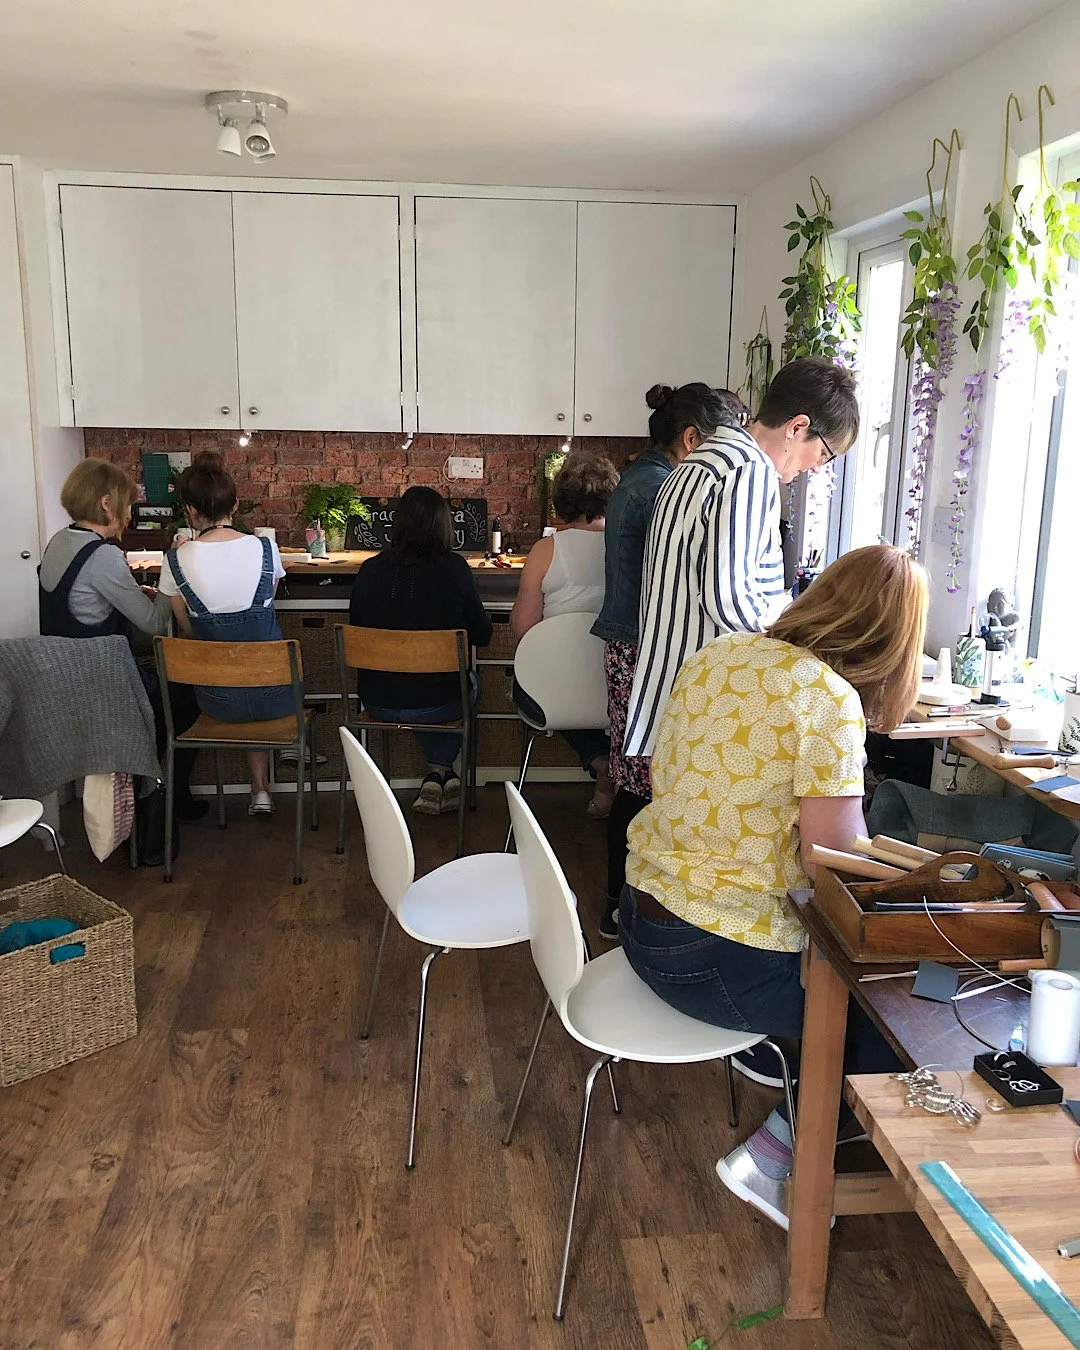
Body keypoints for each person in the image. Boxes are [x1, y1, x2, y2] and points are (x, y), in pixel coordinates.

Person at [620, 545, 928, 1231]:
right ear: (891, 642)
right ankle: (772, 1154)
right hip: (710, 959)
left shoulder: (721, 653)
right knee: (900, 1029)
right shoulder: (828, 701)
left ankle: (775, 1049)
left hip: (644, 916)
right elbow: (834, 867)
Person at [622, 355, 860, 763]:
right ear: (797, 427)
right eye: (824, 455)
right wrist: (796, 640)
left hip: (673, 677)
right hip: (709, 688)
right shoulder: (748, 471)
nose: (817, 468)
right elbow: (728, 597)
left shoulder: (707, 455)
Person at [591, 383, 749, 939]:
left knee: (636, 775)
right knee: (643, 779)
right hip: (645, 647)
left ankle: (623, 901)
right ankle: (623, 906)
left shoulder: (646, 479)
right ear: (691, 439)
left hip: (633, 642)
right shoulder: (664, 486)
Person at [38, 457, 206, 830]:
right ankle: (162, 793)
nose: (129, 515)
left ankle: (155, 784)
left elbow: (86, 602)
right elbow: (157, 623)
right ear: (105, 504)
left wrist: (134, 591)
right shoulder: (103, 556)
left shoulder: (59, 543)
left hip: (63, 680)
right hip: (103, 686)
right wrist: (170, 569)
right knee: (193, 694)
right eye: (127, 505)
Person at [160, 452, 293, 815]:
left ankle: (258, 786)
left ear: (190, 510)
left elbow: (187, 629)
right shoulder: (265, 548)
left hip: (216, 699)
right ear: (235, 503)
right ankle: (261, 788)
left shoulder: (175, 561)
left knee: (233, 671)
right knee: (256, 664)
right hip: (277, 694)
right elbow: (271, 595)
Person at [348, 486, 492, 816]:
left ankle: (437, 774)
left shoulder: (369, 569)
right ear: (444, 525)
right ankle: (442, 769)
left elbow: (356, 625)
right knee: (472, 683)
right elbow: (482, 636)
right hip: (440, 704)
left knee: (417, 690)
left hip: (377, 702)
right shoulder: (455, 568)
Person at [511, 454, 620, 818]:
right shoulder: (631, 547)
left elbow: (524, 629)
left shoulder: (546, 550)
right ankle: (609, 765)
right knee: (598, 692)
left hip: (551, 696)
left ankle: (599, 760)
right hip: (619, 693)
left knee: (536, 684)